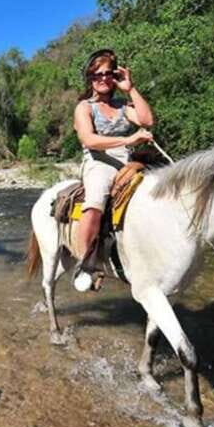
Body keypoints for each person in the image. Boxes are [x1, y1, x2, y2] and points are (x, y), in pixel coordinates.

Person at [73, 49, 155, 291]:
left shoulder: (122, 105)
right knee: (95, 202)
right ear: (90, 78)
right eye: (97, 74)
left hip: (128, 160)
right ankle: (86, 264)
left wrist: (130, 89)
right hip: (99, 161)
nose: (103, 78)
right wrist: (129, 140)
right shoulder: (84, 107)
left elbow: (147, 121)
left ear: (115, 76)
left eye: (108, 73)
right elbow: (89, 140)